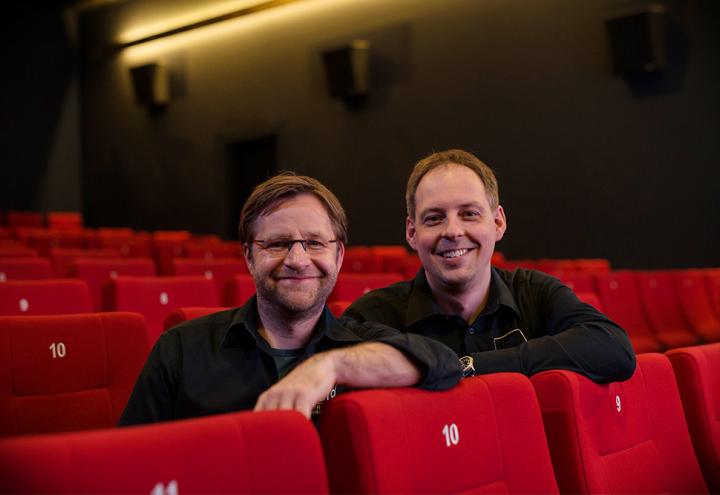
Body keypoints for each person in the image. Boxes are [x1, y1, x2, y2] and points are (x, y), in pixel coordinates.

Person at [119, 172, 462, 425]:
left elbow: (444, 363)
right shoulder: (179, 350)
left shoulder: (358, 343)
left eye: (314, 243)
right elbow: (130, 464)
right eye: (278, 243)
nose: (298, 260)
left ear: (339, 256)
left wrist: (331, 365)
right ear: (249, 256)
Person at [342, 149, 636, 383]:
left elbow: (614, 349)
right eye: (434, 218)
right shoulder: (374, 313)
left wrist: (469, 367)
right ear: (411, 232)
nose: (453, 231)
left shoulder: (534, 292)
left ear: (498, 222)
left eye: (469, 213)